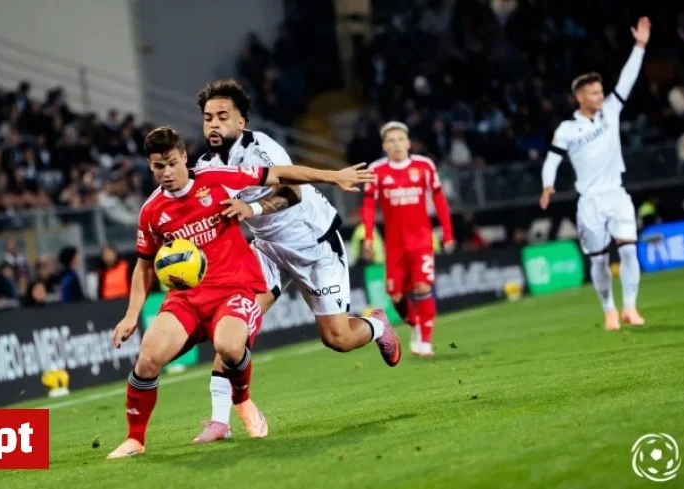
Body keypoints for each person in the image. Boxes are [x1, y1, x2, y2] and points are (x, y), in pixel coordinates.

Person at [107, 126, 374, 459]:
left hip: (235, 288)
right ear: (150, 166)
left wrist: (333, 176)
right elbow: (145, 265)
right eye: (159, 166)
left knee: (229, 345)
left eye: (172, 163)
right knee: (148, 358)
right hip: (186, 298)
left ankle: (243, 402)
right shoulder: (151, 211)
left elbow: (279, 173)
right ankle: (135, 439)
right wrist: (132, 314)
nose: (167, 172)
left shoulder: (215, 178)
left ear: (184, 158)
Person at [192, 79, 401, 444]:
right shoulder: (205, 165)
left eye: (223, 116)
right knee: (233, 323)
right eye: (208, 117)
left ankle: (377, 327)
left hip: (314, 244)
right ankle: (220, 419)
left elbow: (292, 192)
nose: (214, 124)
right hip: (267, 249)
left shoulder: (262, 148)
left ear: (241, 122)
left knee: (337, 339)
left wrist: (251, 207)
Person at [539, 17, 651, 332]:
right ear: (580, 97)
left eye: (601, 91)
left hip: (616, 193)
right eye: (594, 93)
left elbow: (627, 80)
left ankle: (630, 307)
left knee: (629, 249)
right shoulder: (567, 129)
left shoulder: (611, 112)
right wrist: (548, 186)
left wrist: (639, 46)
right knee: (599, 260)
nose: (601, 97)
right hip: (589, 201)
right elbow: (551, 160)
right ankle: (609, 311)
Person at [361, 122, 455, 358]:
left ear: (409, 142)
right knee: (396, 297)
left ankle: (425, 341)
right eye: (391, 140)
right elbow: (369, 205)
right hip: (394, 245)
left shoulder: (425, 166)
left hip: (422, 240)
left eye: (401, 139)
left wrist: (447, 232)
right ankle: (415, 325)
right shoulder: (377, 170)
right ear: (384, 145)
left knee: (423, 287)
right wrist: (369, 237)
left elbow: (440, 199)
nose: (397, 144)